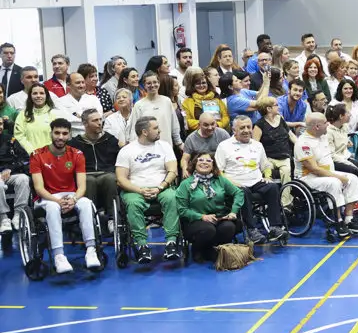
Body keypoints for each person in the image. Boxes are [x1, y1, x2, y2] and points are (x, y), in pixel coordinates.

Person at [29, 118, 100, 273]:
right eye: (57, 133)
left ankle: (91, 250)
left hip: (70, 196)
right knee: (54, 207)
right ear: (51, 133)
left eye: (64, 133)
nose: (60, 137)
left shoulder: (77, 154)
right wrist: (57, 201)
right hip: (46, 198)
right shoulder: (37, 155)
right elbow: (39, 188)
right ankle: (59, 255)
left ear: (69, 135)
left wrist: (74, 199)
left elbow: (82, 186)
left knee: (86, 203)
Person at [115, 116, 181, 264]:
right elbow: (121, 179)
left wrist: (161, 186)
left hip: (162, 187)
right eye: (156, 128)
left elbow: (172, 171)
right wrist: (140, 190)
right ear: (144, 132)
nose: (160, 130)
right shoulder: (127, 151)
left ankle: (171, 243)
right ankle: (142, 245)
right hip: (135, 190)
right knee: (132, 204)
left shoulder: (164, 146)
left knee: (172, 198)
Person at [295, 112, 358, 238]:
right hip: (308, 178)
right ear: (316, 127)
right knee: (334, 182)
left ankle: (349, 219)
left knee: (352, 178)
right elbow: (314, 169)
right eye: (325, 123)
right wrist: (339, 177)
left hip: (327, 173)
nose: (328, 124)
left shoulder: (323, 136)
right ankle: (338, 222)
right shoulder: (303, 143)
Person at [215, 115, 287, 244]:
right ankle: (252, 229)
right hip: (235, 183)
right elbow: (218, 171)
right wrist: (232, 183)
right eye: (242, 128)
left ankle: (275, 227)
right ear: (234, 130)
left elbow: (265, 165)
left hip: (256, 181)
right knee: (243, 191)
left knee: (273, 187)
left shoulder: (257, 145)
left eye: (249, 127)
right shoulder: (224, 146)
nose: (247, 130)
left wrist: (267, 176)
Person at [176, 153, 243, 261]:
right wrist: (202, 217)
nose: (204, 162)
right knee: (208, 229)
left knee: (228, 227)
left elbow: (238, 192)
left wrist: (233, 211)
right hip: (195, 220)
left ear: (213, 165)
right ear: (194, 164)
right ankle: (198, 249)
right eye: (201, 160)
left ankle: (216, 248)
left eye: (208, 161)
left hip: (219, 217)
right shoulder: (186, 184)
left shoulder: (220, 180)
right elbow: (182, 210)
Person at [69, 108, 120, 217]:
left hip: (106, 173)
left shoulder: (110, 140)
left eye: (100, 119)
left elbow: (119, 161)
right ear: (85, 123)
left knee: (110, 179)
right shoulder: (75, 143)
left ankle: (112, 217)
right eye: (95, 120)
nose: (99, 123)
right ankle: (90, 217)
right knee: (89, 180)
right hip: (86, 175)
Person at [132, 72, 183, 148]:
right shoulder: (139, 105)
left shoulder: (167, 101)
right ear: (144, 85)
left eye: (155, 82)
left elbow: (174, 124)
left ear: (159, 83)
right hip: (146, 148)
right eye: (149, 83)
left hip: (167, 146)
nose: (152, 85)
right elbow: (134, 129)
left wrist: (179, 142)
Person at [254, 96, 295, 182]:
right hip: (269, 158)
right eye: (276, 105)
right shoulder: (259, 125)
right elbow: (255, 146)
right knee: (267, 172)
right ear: (269, 109)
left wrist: (300, 145)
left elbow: (291, 135)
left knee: (286, 172)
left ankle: (286, 196)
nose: (279, 107)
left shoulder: (280, 118)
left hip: (284, 157)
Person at [181, 112, 231, 177]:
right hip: (200, 171)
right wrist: (184, 169)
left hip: (220, 170)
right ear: (199, 125)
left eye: (213, 124)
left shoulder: (223, 134)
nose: (210, 128)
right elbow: (185, 159)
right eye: (206, 125)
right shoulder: (191, 139)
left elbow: (231, 152)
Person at [55, 72, 102, 137]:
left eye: (83, 82)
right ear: (68, 85)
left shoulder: (93, 99)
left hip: (94, 138)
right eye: (78, 83)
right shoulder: (59, 102)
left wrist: (78, 119)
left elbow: (99, 119)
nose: (81, 85)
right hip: (73, 140)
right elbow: (65, 123)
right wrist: (89, 121)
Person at [15, 83, 55, 153]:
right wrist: (32, 152)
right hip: (30, 156)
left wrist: (49, 153)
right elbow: (19, 136)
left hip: (51, 155)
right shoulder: (23, 115)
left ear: (46, 96)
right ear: (30, 96)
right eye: (35, 93)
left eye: (41, 93)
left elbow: (58, 136)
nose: (38, 96)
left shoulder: (54, 114)